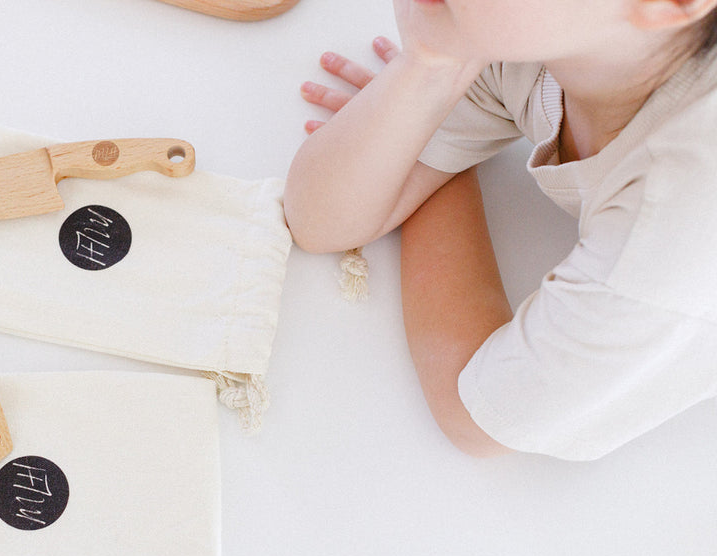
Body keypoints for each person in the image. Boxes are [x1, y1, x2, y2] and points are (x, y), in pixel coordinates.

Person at [283, 0, 717, 460]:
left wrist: (433, 156)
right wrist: (430, 64)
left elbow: (477, 417)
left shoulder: (673, 235)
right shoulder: (542, 37)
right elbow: (318, 220)